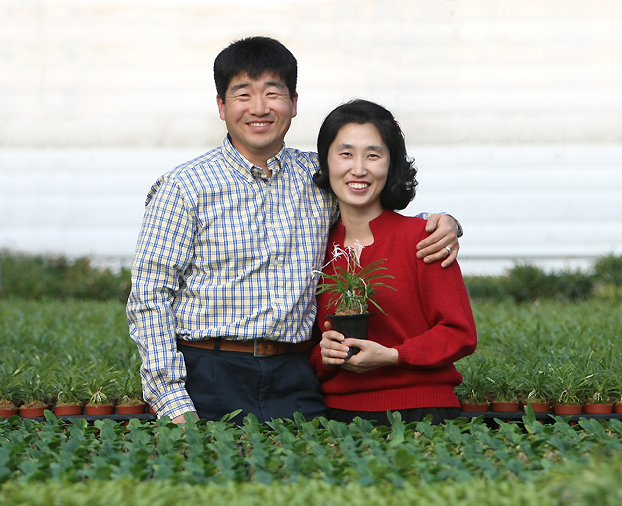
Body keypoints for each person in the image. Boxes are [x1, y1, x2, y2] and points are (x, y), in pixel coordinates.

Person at [126, 36, 461, 425]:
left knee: (305, 477)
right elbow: (149, 295)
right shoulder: (185, 187)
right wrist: (172, 401)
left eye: (273, 93)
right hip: (210, 371)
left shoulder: (317, 178)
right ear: (221, 106)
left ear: (294, 103)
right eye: (243, 94)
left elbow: (376, 207)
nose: (259, 108)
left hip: (295, 377)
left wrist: (446, 222)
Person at [309, 100, 477, 426]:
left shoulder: (424, 238)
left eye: (373, 155)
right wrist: (324, 356)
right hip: (336, 417)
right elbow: (308, 347)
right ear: (326, 162)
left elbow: (459, 333)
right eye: (345, 154)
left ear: (391, 164)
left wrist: (395, 356)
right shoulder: (315, 249)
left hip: (423, 411)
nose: (359, 169)